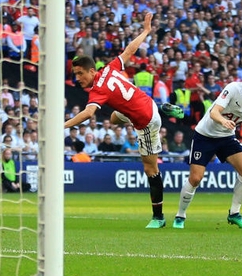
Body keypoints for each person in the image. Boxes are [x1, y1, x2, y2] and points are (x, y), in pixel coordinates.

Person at [65, 12, 170, 228]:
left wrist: (61, 126)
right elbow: (130, 50)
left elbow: (87, 114)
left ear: (91, 71)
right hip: (145, 102)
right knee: (113, 117)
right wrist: (146, 31)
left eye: (79, 74)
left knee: (151, 170)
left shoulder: (97, 91)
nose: (78, 78)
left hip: (146, 120)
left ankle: (158, 217)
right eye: (75, 74)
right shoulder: (109, 68)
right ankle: (162, 107)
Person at [173, 65, 242, 229]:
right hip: (205, 135)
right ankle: (180, 216)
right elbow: (214, 112)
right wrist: (223, 121)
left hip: (226, 137)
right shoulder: (233, 88)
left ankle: (234, 213)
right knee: (195, 178)